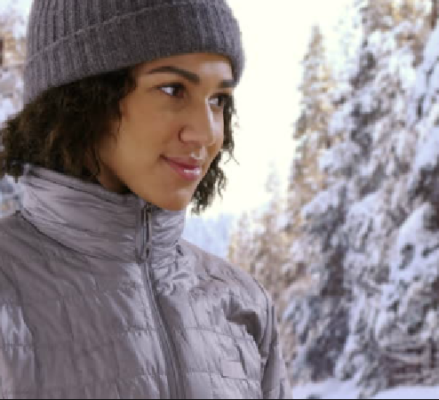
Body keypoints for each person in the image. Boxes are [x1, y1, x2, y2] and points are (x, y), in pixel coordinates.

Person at [0, 1, 292, 398]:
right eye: (173, 90)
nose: (205, 133)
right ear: (81, 99)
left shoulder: (241, 302)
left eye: (218, 100)